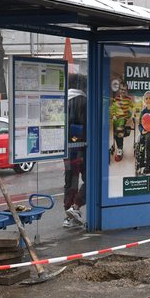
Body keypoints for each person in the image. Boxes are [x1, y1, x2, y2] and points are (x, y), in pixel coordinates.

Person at [63, 73, 87, 228]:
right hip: (82, 149)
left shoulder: (64, 101)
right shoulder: (84, 101)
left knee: (70, 181)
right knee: (90, 178)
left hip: (67, 151)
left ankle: (68, 215)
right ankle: (76, 207)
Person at [110, 79, 133, 162]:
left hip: (124, 118)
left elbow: (132, 108)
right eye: (121, 89)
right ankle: (119, 147)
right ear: (119, 90)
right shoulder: (116, 99)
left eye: (124, 90)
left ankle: (120, 148)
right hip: (117, 118)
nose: (123, 91)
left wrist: (131, 114)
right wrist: (113, 116)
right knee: (116, 132)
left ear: (126, 91)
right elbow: (112, 109)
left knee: (119, 129)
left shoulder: (128, 99)